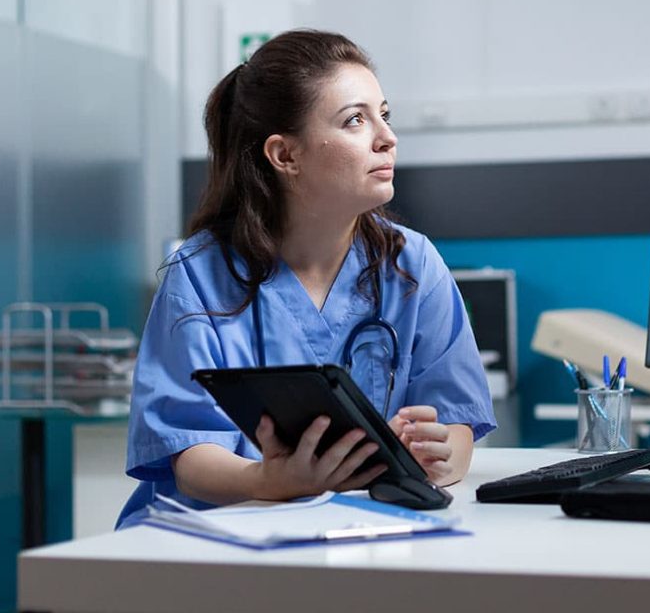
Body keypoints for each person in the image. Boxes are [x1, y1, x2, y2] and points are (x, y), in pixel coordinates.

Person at [117, 29, 496, 529]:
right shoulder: (200, 274)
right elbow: (189, 457)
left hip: (355, 533)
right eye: (355, 120)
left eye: (385, 114)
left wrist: (444, 449)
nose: (387, 137)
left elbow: (456, 422)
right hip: (211, 536)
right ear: (285, 156)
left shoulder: (412, 265)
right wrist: (267, 481)